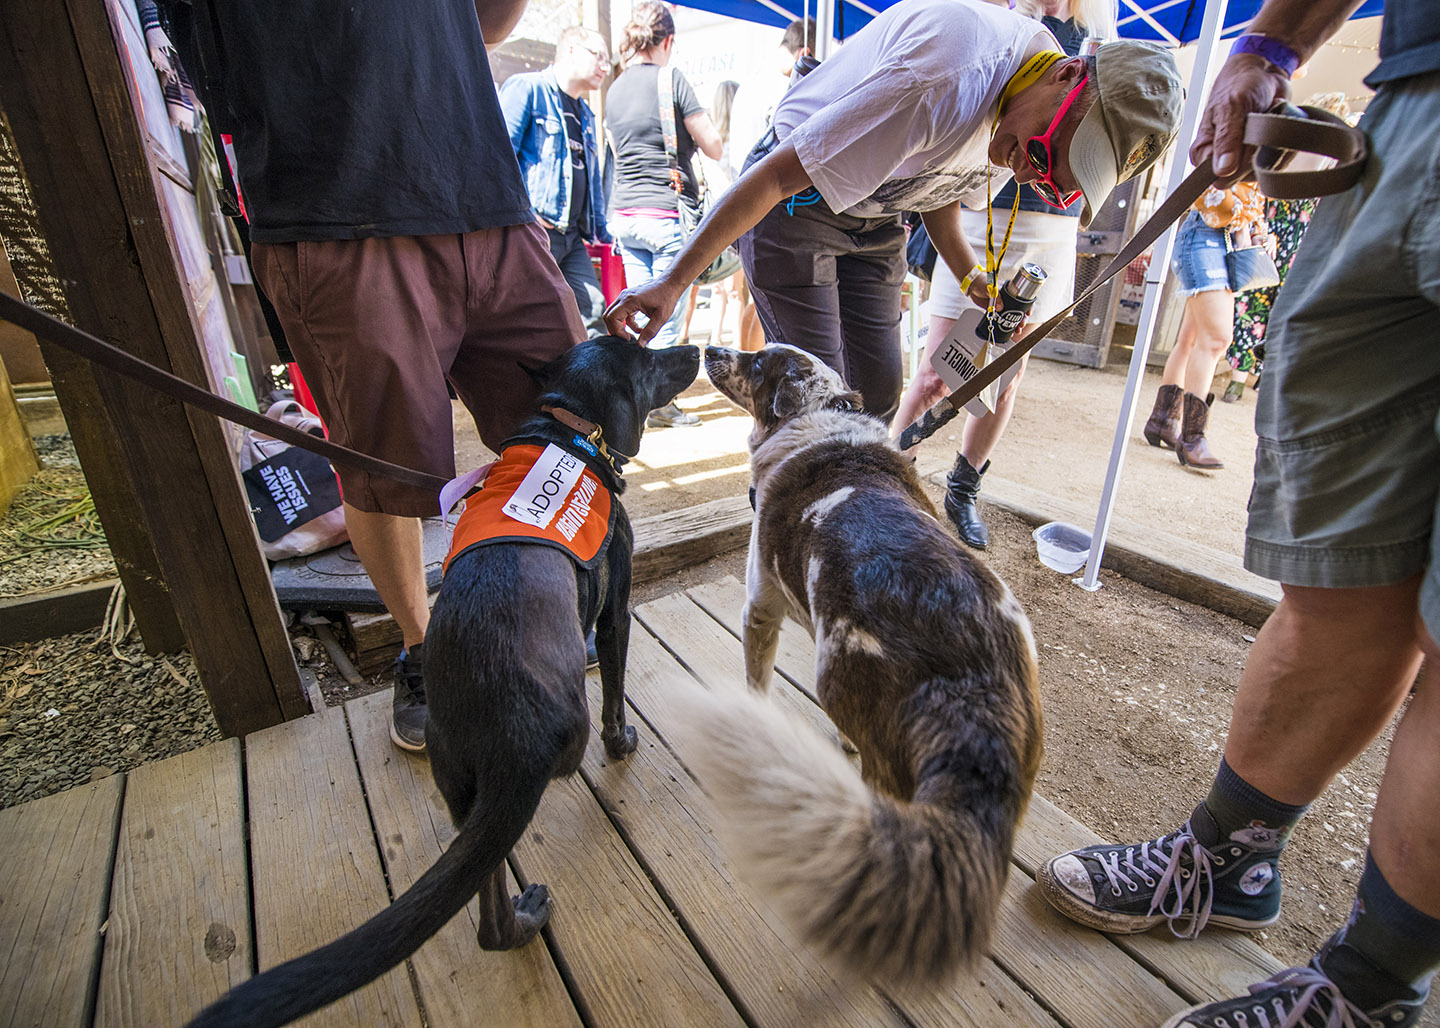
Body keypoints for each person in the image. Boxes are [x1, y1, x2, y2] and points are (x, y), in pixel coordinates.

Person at [1037, 0, 1440, 1021]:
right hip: (1408, 112)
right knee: (1340, 573)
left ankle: (1372, 984)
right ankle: (1230, 858)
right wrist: (1272, 41)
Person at [170, 0, 585, 752]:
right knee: (384, 469)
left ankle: (540, 613)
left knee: (570, 435)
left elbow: (491, 17)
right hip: (336, 207)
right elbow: (218, 79)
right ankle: (425, 651)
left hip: (487, 195)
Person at [605, 0, 1182, 434]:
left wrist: (973, 278)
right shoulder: (945, 74)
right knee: (817, 406)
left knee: (877, 396)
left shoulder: (1029, 103)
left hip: (880, 212)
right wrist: (673, 283)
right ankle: (784, 532)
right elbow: (775, 178)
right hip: (796, 203)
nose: (1032, 173)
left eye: (1055, 182)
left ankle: (836, 527)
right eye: (1043, 155)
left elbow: (939, 186)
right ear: (1066, 76)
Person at [891, 0, 1114, 549]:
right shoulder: (1003, 24)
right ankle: (891, 479)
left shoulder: (1099, 45)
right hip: (977, 215)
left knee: (1005, 377)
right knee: (937, 371)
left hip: (1051, 228)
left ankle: (963, 487)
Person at [604, 0, 722, 427]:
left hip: (625, 214)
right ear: (667, 41)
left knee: (639, 312)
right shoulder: (670, 79)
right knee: (664, 313)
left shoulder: (614, 88)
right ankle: (660, 404)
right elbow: (713, 145)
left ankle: (639, 397)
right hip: (665, 212)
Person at [1223, 90, 1350, 404]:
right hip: (1288, 239)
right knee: (1269, 307)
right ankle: (1251, 378)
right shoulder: (1313, 153)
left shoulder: (1304, 152)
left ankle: (1251, 379)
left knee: (1267, 305)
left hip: (1286, 238)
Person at [1139, 179, 1267, 470]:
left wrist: (1256, 230)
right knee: (1216, 339)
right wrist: (1244, 224)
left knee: (1191, 338)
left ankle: (1163, 421)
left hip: (1219, 239)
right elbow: (1209, 192)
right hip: (1208, 235)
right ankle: (1192, 439)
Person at [500, 26, 613, 336]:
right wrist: (525, 215)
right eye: (599, 56)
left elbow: (591, 180)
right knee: (529, 320)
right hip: (532, 234)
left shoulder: (586, 113)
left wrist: (601, 231)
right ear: (572, 50)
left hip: (572, 236)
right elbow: (498, 157)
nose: (605, 66)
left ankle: (594, 371)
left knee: (593, 312)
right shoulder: (528, 89)